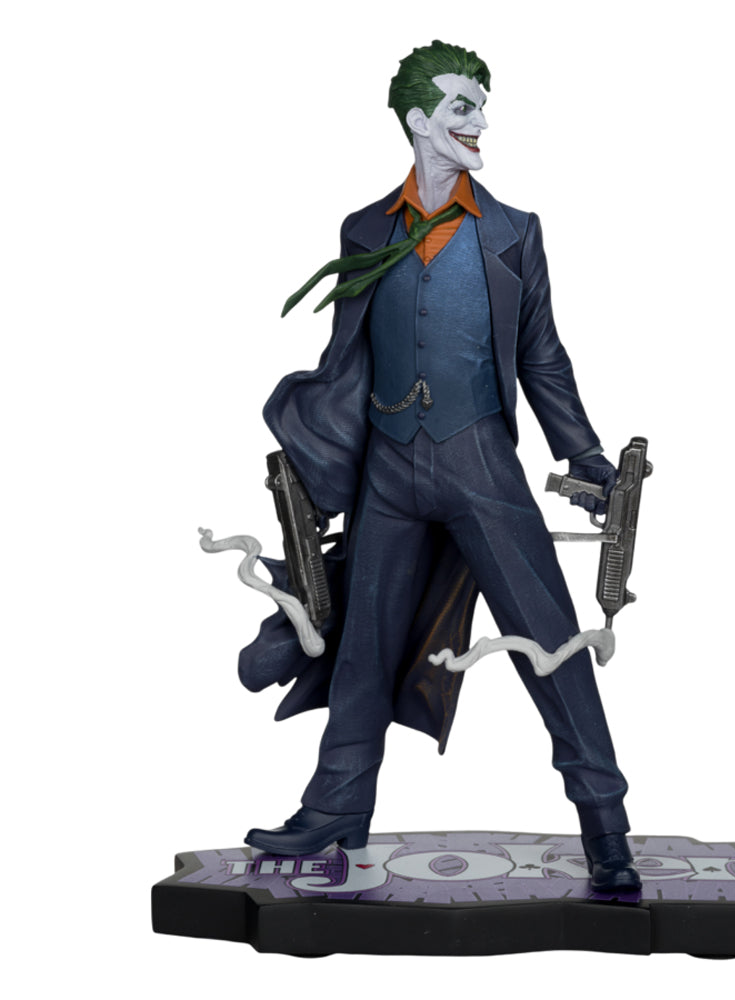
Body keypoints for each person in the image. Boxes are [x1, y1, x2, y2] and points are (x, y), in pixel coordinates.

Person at [247, 40, 639, 892]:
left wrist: (583, 454)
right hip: (388, 469)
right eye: (465, 106)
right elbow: (346, 356)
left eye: (482, 105)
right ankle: (336, 811)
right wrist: (320, 463)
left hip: (481, 464)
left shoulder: (512, 233)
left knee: (551, 640)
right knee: (363, 646)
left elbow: (540, 356)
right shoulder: (365, 230)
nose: (481, 121)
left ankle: (606, 826)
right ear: (420, 120)